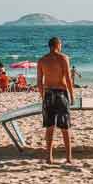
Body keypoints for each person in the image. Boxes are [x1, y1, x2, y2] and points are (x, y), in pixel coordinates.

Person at [36, 37, 75, 165]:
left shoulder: (42, 60)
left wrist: (43, 96)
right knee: (65, 127)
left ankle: (49, 158)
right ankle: (68, 158)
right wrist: (72, 95)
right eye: (61, 44)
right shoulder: (63, 58)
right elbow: (68, 78)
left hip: (48, 94)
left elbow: (39, 82)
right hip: (61, 93)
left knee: (49, 127)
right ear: (58, 45)